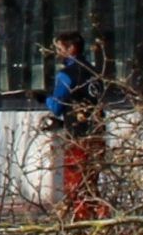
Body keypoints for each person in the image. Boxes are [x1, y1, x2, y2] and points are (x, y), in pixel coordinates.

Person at [44, 31, 109, 220]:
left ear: (71, 48)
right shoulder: (94, 71)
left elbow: (56, 105)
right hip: (97, 134)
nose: (57, 53)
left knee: (76, 186)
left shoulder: (66, 75)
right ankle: (101, 223)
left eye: (59, 49)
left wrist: (44, 98)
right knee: (91, 184)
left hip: (78, 138)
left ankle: (81, 226)